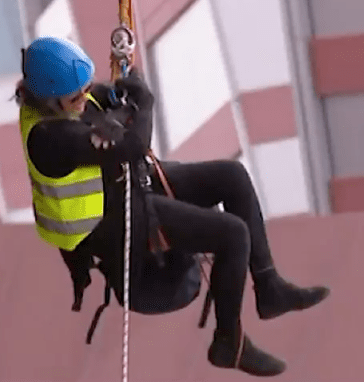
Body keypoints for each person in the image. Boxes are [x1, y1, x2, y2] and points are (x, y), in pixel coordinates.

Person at [17, 36, 329, 377]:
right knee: (232, 234)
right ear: (49, 99)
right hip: (107, 226)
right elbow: (133, 147)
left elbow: (98, 99)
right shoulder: (50, 139)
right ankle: (229, 342)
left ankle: (269, 288)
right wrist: (144, 103)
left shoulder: (63, 101)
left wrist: (123, 87)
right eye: (76, 96)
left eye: (86, 88)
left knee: (233, 176)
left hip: (121, 191)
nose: (84, 97)